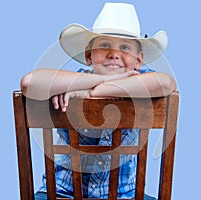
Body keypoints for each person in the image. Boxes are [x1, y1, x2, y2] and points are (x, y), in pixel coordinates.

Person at [21, 3, 177, 200]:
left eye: (125, 47)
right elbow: (29, 82)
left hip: (126, 195)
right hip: (62, 193)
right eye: (104, 45)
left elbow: (166, 83)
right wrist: (103, 79)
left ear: (138, 61)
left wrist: (92, 92)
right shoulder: (70, 82)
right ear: (89, 55)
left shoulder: (143, 80)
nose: (114, 53)